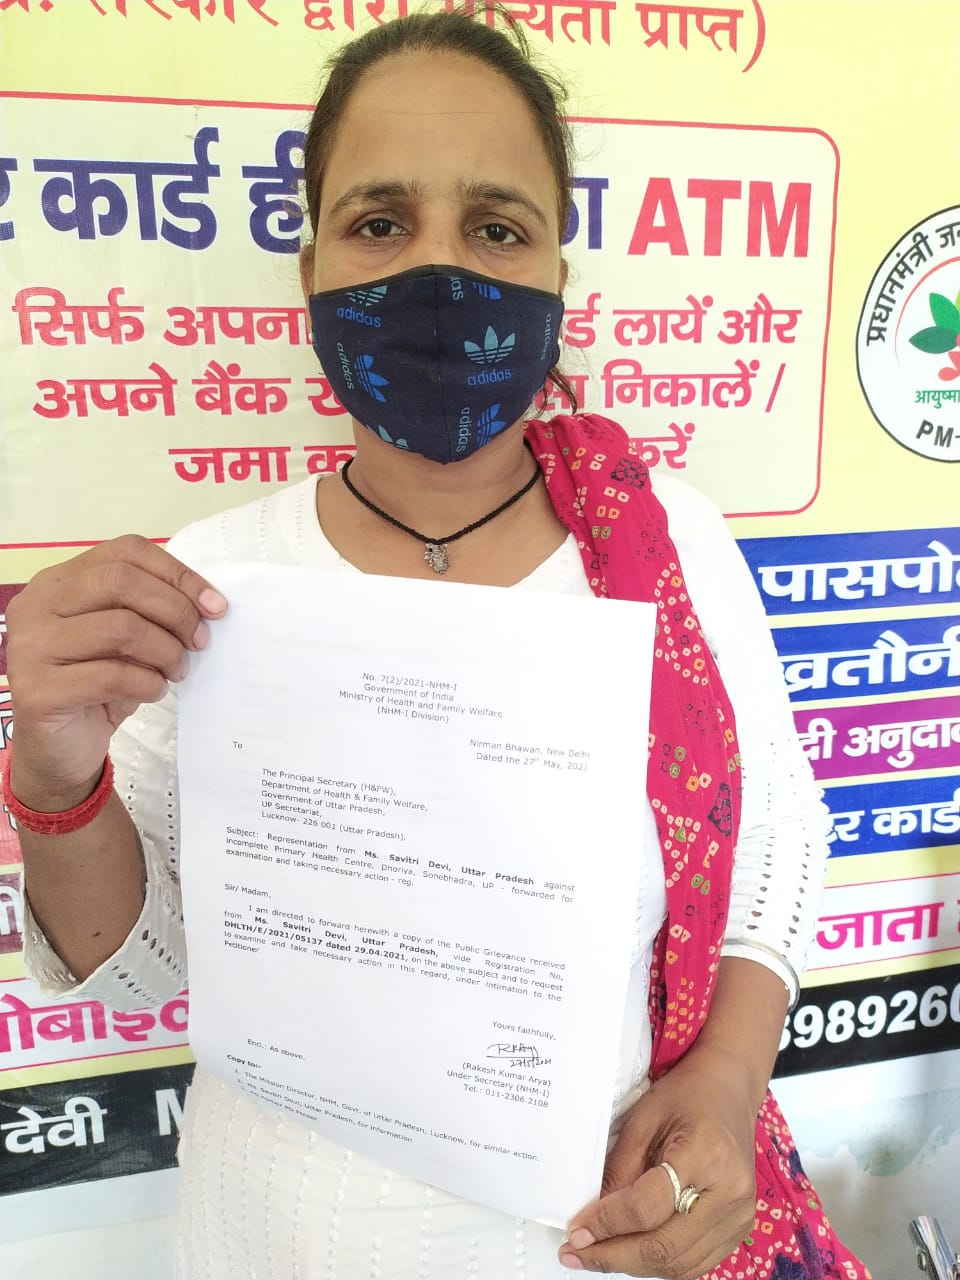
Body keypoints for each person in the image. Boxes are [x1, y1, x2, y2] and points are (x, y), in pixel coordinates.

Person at [5, 10, 871, 1280]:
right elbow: (140, 968)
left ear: (559, 276)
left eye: (497, 228)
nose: (438, 272)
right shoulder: (213, 579)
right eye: (379, 222)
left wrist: (732, 1081)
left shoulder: (667, 545)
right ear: (310, 268)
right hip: (274, 1237)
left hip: (598, 1235)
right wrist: (52, 772)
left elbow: (776, 839)